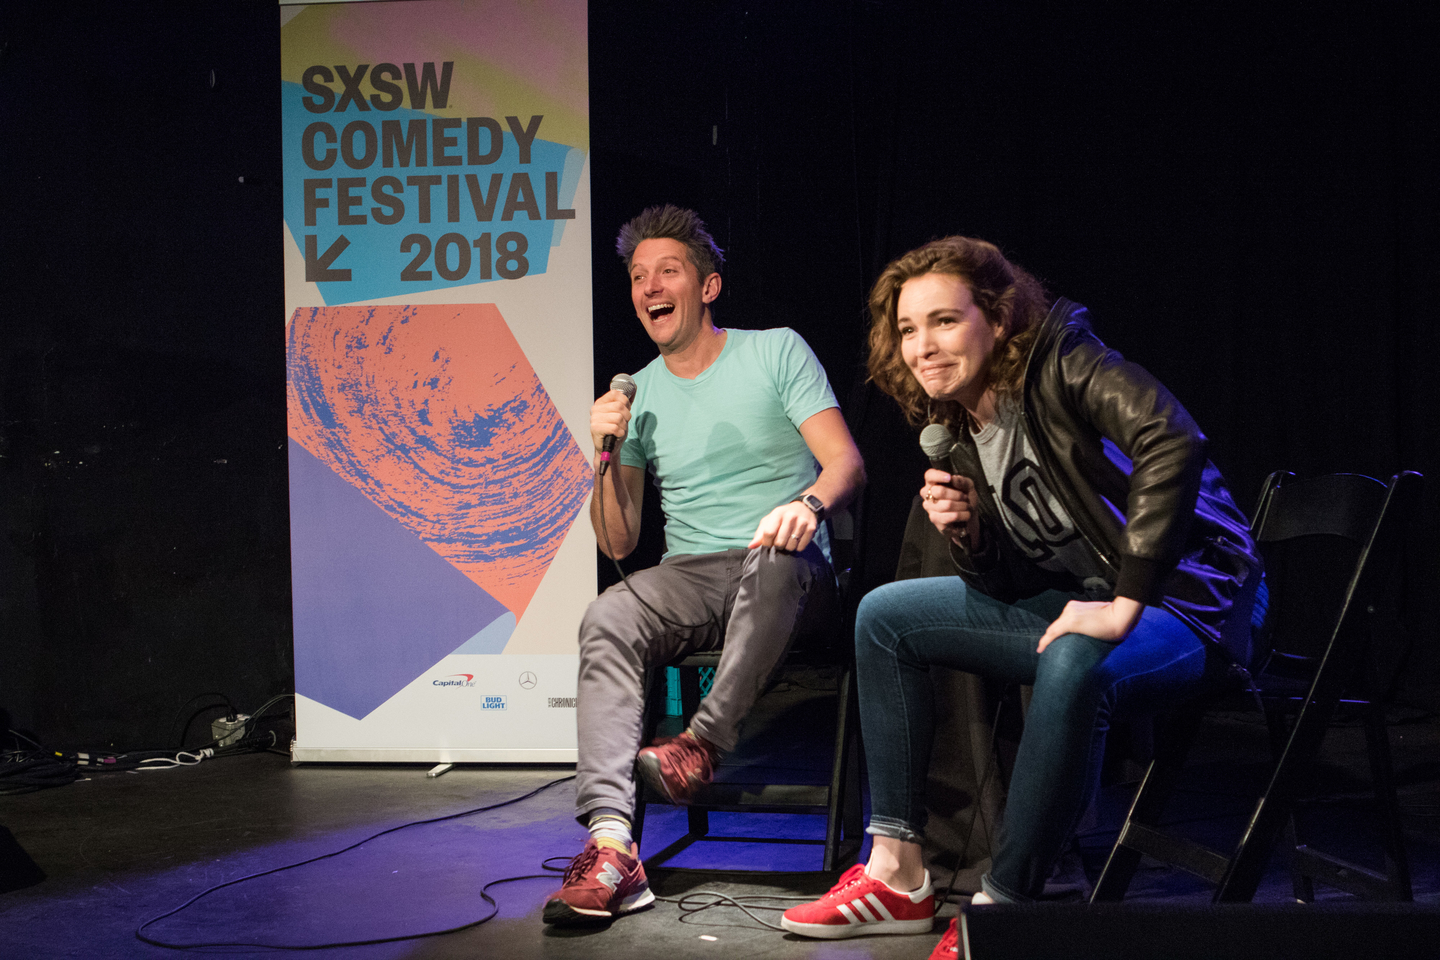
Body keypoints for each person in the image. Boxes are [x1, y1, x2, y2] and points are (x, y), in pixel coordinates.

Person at [781, 237, 1261, 956]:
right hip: (1087, 598)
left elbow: (1173, 439)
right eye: (908, 330)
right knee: (886, 616)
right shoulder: (963, 422)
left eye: (944, 321)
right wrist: (973, 535)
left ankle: (1002, 907)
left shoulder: (1068, 361)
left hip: (1195, 604)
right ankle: (898, 872)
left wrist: (1127, 601)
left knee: (1074, 657)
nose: (923, 346)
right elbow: (1012, 582)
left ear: (999, 320)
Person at [543, 205, 866, 925]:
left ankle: (701, 744)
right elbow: (620, 543)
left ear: (709, 286)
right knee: (609, 613)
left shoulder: (775, 351)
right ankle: (611, 848)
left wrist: (806, 507)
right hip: (692, 572)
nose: (649, 287)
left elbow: (846, 462)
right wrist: (598, 452)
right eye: (636, 277)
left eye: (667, 271)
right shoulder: (636, 395)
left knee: (773, 557)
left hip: (788, 565)